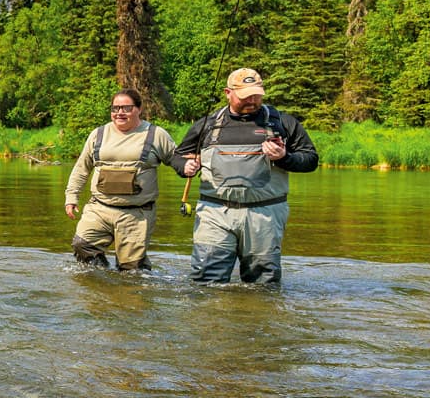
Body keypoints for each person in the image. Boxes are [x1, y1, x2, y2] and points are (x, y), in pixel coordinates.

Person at [174, 68, 319, 285]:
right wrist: (185, 166)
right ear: (228, 93)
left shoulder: (283, 123)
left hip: (265, 214)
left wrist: (284, 157)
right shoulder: (208, 124)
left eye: (257, 94)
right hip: (215, 213)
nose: (252, 100)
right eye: (245, 96)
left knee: (262, 284)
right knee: (205, 282)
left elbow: (311, 160)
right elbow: (178, 156)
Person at [64, 88, 192, 271]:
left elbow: (175, 158)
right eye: (115, 108)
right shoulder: (98, 134)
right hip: (99, 208)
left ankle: (133, 284)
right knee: (82, 245)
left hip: (137, 214)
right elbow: (81, 168)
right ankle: (101, 281)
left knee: (131, 270)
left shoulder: (156, 134)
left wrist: (186, 167)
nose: (119, 113)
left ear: (139, 109)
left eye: (126, 108)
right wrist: (71, 197)